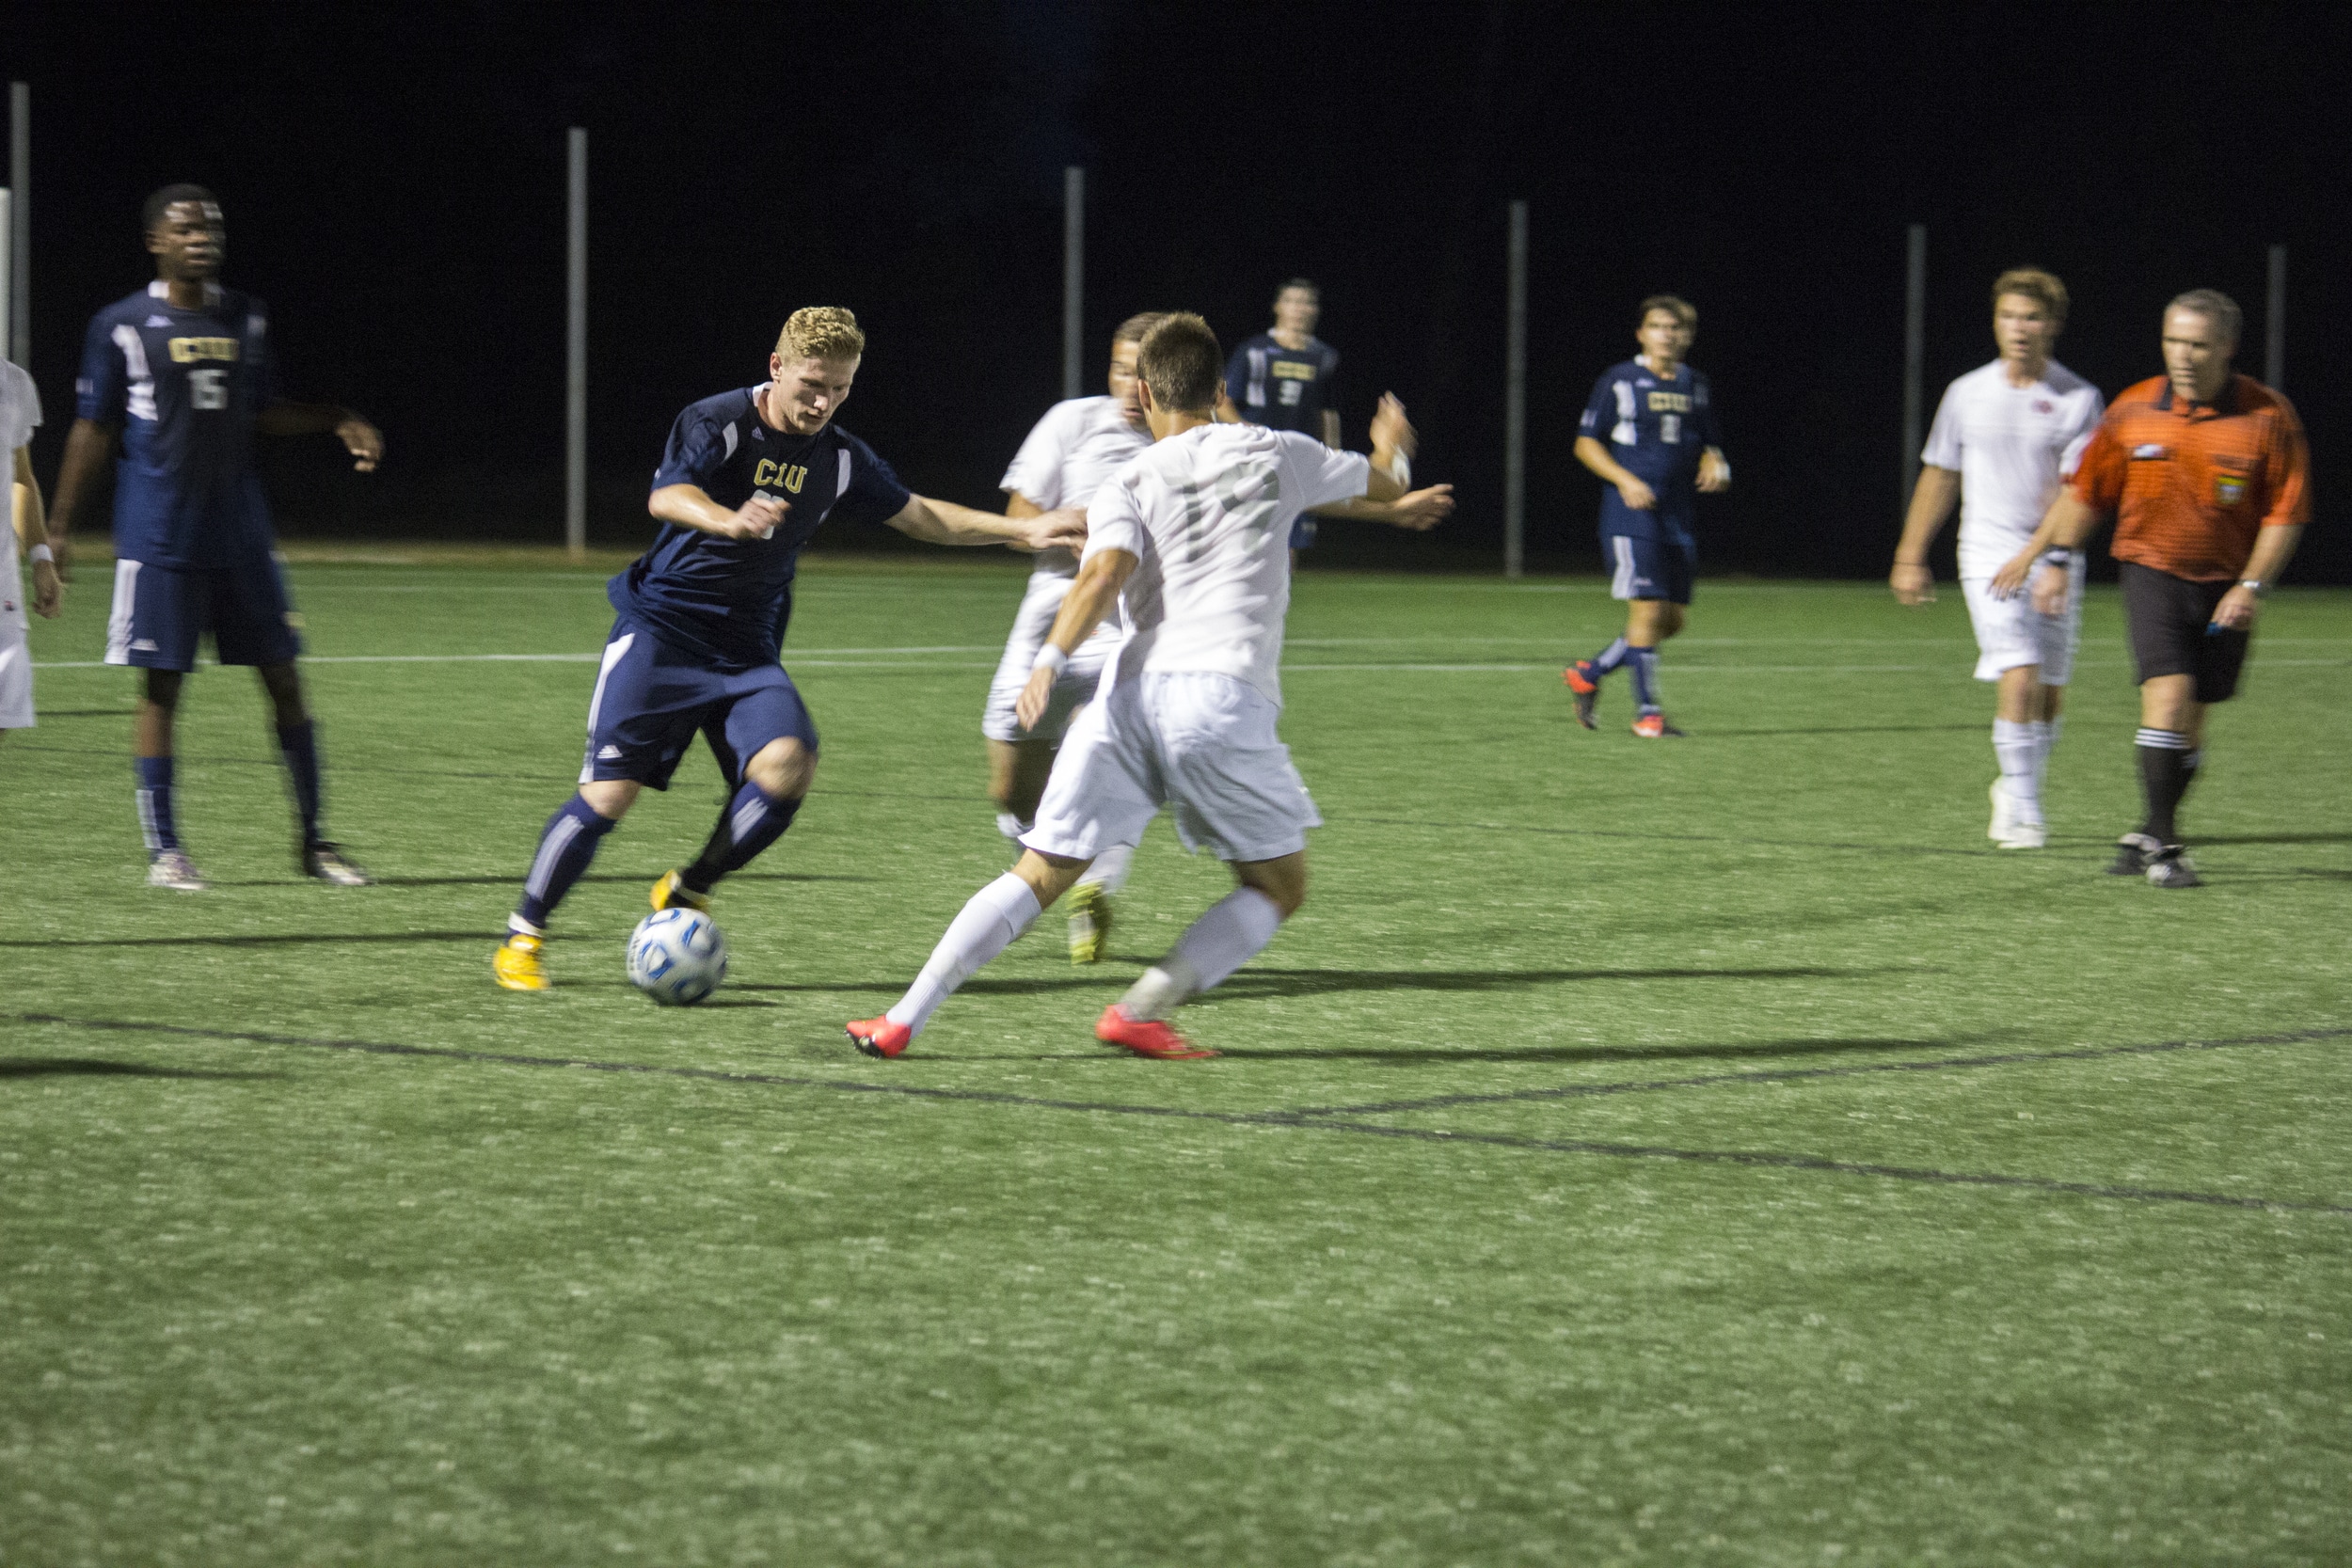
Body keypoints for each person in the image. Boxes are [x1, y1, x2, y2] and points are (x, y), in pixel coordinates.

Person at [848, 312, 1453, 1061]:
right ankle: (1141, 1008)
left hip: (1125, 700)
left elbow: (1102, 575)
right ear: (1221, 389)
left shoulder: (1125, 480)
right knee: (1277, 886)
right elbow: (1387, 482)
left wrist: (1048, 659)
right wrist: (1391, 442)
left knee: (1036, 871)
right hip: (1218, 699)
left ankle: (903, 1016)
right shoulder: (1278, 451)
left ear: (1143, 389)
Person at [492, 307, 1085, 991]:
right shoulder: (717, 421)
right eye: (811, 384)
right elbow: (667, 495)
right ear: (776, 368)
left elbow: (922, 514)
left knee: (787, 765)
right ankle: (524, 935)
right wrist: (730, 518)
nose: (822, 401)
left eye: (839, 388)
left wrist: (1029, 532)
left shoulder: (838, 456)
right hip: (663, 632)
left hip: (746, 654)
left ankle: (689, 887)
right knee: (608, 796)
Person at [47, 185, 384, 890]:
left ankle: (314, 843)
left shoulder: (247, 317)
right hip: (161, 536)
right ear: (155, 243)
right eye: (186, 228)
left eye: (212, 227)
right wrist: (59, 527)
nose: (202, 236)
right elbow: (93, 427)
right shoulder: (122, 325)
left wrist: (335, 417)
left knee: (285, 680)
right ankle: (166, 851)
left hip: (242, 536)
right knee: (163, 688)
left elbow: (264, 412)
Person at [1993, 289, 2309, 888]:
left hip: (2227, 586)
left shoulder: (2270, 418)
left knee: (2191, 722)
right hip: (2151, 572)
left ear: (2228, 349)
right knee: (2167, 696)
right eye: (2173, 341)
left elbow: (2284, 515)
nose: (2183, 356)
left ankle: (2146, 829)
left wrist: (2250, 587)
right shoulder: (2133, 410)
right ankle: (2167, 850)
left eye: (2198, 344)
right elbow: (2086, 495)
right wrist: (2053, 557)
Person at [1890, 268, 2105, 848]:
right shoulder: (1966, 392)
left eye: (2032, 317)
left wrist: (2054, 557)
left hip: (2055, 552)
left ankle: (2013, 786)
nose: (2019, 328)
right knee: (2020, 665)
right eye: (2009, 316)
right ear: (1995, 322)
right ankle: (2027, 810)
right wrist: (1910, 555)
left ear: (2053, 326)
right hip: (1986, 550)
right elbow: (1940, 474)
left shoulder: (2078, 399)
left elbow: (2078, 493)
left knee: (2051, 689)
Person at [985, 313, 1162, 964]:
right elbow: (1017, 518)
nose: (1128, 386)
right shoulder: (1070, 422)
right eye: (1120, 369)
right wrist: (1075, 526)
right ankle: (1060, 871)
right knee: (1011, 788)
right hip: (1048, 619)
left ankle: (1097, 884)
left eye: (1142, 375)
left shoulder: (1183, 444)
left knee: (1104, 756)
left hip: (1130, 626)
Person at [1563, 295, 1729, 736]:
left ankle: (1590, 672)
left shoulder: (1695, 383)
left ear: (1689, 336)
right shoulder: (1619, 380)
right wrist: (1625, 479)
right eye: (1658, 326)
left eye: (1676, 328)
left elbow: (1710, 442)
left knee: (1670, 620)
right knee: (1649, 608)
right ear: (1641, 333)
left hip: (1678, 515)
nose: (1667, 334)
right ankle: (1648, 714)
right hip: (1630, 514)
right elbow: (1585, 443)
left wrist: (1716, 462)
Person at [1218, 278, 1342, 559]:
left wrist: (1333, 453)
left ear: (1316, 310)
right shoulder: (1254, 351)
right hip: (1253, 460)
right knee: (1244, 536)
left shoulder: (1324, 357)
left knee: (1290, 543)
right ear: (1277, 307)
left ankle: (1280, 602)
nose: (1299, 309)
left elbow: (1328, 412)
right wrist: (1247, 431)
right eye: (1291, 301)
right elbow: (1223, 401)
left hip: (1297, 462)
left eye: (1306, 302)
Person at [2, 355, 61, 741]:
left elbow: (22, 477)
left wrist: (41, 557)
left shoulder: (14, 383)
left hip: (2, 580)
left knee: (3, 712)